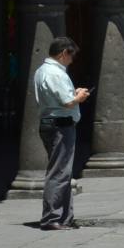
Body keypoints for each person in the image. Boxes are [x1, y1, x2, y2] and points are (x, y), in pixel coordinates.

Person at [32, 37, 89, 230]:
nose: (72, 60)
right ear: (64, 53)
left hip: (51, 122)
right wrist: (78, 97)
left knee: (62, 171)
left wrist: (74, 94)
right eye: (71, 56)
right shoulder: (55, 73)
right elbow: (66, 102)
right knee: (58, 172)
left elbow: (57, 98)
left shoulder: (41, 71)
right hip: (60, 125)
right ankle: (51, 218)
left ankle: (64, 217)